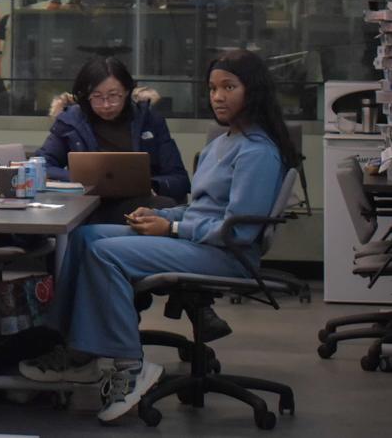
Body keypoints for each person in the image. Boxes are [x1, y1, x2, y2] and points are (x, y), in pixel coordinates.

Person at [19, 49, 294, 424]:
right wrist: (161, 214)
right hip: (201, 238)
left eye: (229, 87)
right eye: (213, 88)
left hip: (227, 253)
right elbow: (202, 207)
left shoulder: (257, 151)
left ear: (254, 91)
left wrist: (175, 228)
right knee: (85, 238)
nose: (218, 96)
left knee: (106, 254)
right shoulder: (223, 141)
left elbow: (240, 231)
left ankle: (129, 366)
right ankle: (81, 352)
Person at [36, 56, 189, 222]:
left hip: (139, 205)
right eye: (97, 97)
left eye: (114, 96)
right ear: (86, 96)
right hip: (86, 205)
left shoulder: (149, 120)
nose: (106, 105)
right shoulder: (71, 122)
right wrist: (80, 179)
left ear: (127, 92)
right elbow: (41, 165)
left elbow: (179, 179)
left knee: (164, 205)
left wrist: (151, 185)